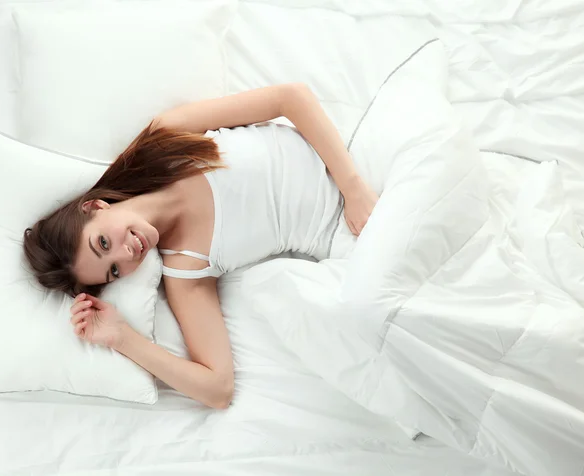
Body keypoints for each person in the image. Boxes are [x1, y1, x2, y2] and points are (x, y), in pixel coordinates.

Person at [23, 83, 378, 409]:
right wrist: (122, 338)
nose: (126, 255)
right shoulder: (185, 270)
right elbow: (217, 388)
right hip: (350, 238)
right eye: (113, 270)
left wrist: (353, 187)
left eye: (103, 243)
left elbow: (291, 97)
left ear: (95, 207)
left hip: (354, 157)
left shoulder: (164, 142)